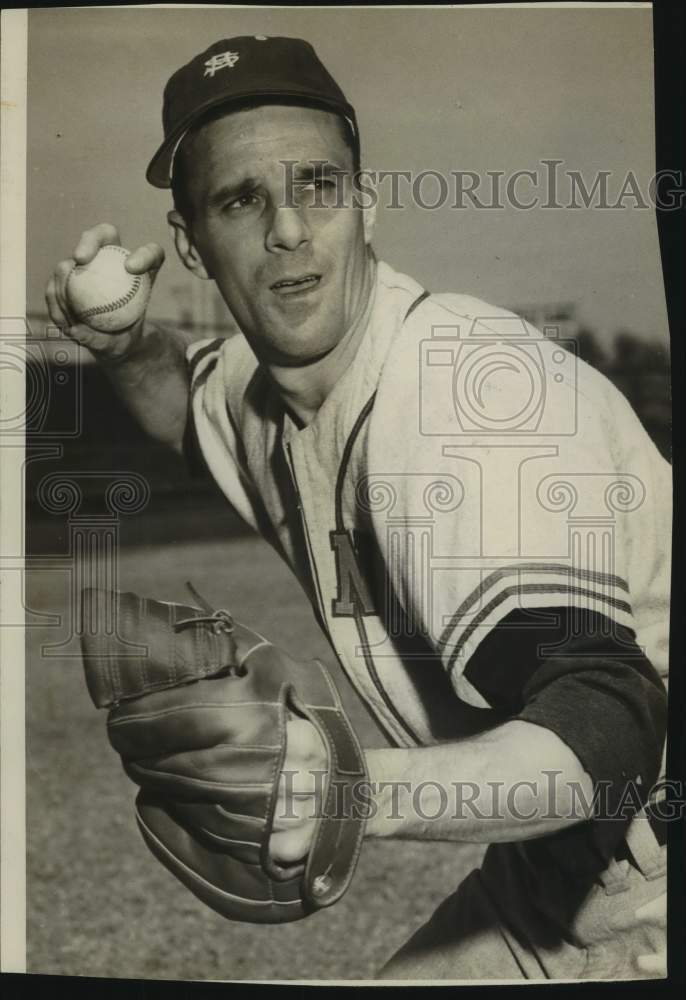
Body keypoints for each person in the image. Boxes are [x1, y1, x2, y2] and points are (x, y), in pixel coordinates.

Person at [46, 35, 670, 980]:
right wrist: (126, 342)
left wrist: (341, 788)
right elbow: (188, 410)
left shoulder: (460, 401)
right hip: (553, 864)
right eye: (241, 200)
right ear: (189, 244)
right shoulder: (276, 386)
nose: (289, 230)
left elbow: (612, 725)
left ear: (365, 202)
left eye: (318, 186)